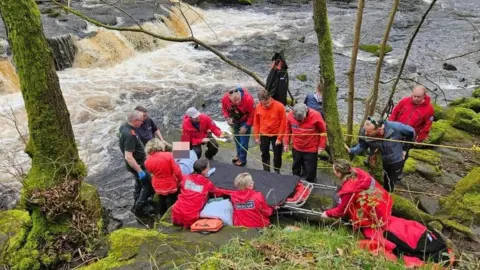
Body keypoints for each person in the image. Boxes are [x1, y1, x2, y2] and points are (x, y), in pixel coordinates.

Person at [345, 116, 415, 192]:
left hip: (395, 160)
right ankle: (372, 193)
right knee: (374, 179)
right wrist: (351, 150)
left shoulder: (395, 127)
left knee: (390, 181)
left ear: (379, 129)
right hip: (376, 161)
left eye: (369, 132)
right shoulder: (365, 130)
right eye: (365, 130)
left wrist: (405, 149)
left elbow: (411, 132)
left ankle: (387, 194)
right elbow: (362, 145)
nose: (365, 133)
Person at [321, 159, 393, 229]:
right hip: (384, 200)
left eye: (334, 170)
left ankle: (348, 222)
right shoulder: (356, 171)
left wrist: (327, 213)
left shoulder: (348, 190)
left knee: (340, 200)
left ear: (339, 173)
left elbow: (342, 211)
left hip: (377, 214)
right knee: (339, 193)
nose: (333, 172)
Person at [119, 110, 155, 217]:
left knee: (139, 183)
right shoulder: (130, 135)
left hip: (137, 162)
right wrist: (140, 171)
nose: (142, 122)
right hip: (137, 164)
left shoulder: (124, 126)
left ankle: (136, 201)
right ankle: (140, 208)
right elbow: (128, 156)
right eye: (140, 120)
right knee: (147, 183)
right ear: (134, 121)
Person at [172, 159, 225, 228]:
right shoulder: (206, 183)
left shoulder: (185, 178)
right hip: (191, 217)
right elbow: (218, 193)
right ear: (203, 171)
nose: (209, 168)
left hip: (177, 212)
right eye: (208, 167)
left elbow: (180, 185)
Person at [283, 103, 326, 183]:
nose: (300, 121)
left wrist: (321, 146)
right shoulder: (289, 115)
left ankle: (311, 182)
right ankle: (295, 180)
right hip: (297, 147)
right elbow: (287, 130)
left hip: (311, 148)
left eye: (302, 119)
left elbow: (323, 131)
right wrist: (286, 143)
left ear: (306, 112)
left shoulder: (316, 115)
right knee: (296, 166)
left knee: (311, 169)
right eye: (298, 120)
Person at [144, 138, 183, 217]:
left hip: (158, 185)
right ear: (160, 146)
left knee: (162, 199)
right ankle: (171, 214)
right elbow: (177, 171)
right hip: (170, 184)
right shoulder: (169, 155)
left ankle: (162, 214)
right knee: (172, 199)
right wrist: (181, 180)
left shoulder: (147, 161)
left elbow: (151, 173)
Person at [253, 89, 287, 173]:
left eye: (268, 102)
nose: (267, 105)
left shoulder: (279, 106)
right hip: (264, 134)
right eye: (264, 104)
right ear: (260, 101)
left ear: (270, 97)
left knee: (277, 155)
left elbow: (284, 123)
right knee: (264, 153)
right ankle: (266, 170)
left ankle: (277, 170)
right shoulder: (258, 107)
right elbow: (256, 122)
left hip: (276, 134)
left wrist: (280, 138)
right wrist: (256, 136)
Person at [221, 87, 255, 166]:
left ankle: (242, 159)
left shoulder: (248, 100)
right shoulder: (225, 99)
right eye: (235, 101)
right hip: (234, 119)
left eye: (239, 100)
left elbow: (252, 114)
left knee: (243, 141)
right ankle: (238, 154)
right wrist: (227, 118)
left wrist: (246, 126)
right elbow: (224, 109)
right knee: (237, 139)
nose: (237, 102)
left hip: (245, 120)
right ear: (229, 98)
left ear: (240, 95)